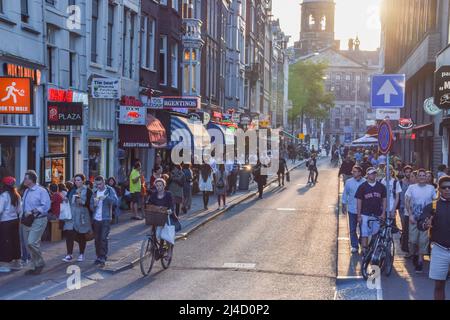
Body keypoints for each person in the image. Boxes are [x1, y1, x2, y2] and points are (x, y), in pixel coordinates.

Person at [417, 176, 450, 300]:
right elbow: (421, 224)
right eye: (444, 187)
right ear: (439, 189)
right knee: (439, 285)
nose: (447, 190)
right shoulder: (432, 207)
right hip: (439, 250)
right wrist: (425, 224)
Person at [405, 169, 437, 273]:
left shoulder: (431, 188)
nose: (422, 177)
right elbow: (407, 201)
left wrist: (431, 218)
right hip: (414, 217)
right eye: (420, 175)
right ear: (417, 177)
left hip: (425, 219)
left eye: (424, 175)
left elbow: (434, 203)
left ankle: (420, 262)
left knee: (423, 241)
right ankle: (414, 254)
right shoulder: (411, 187)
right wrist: (410, 215)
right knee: (413, 241)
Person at [21, 170, 51, 275]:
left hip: (38, 219)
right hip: (26, 221)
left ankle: (40, 263)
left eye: (26, 178)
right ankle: (34, 266)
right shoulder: (26, 191)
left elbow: (46, 206)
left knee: (31, 242)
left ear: (31, 180)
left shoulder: (41, 191)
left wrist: (33, 211)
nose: (24, 180)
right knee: (28, 244)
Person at [355, 167, 387, 255]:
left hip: (377, 213)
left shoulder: (381, 187)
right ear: (367, 175)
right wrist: (358, 215)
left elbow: (384, 200)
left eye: (374, 173)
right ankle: (364, 250)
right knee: (364, 233)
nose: (373, 175)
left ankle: (373, 249)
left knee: (375, 232)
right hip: (365, 213)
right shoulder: (362, 187)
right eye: (371, 173)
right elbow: (359, 201)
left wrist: (383, 213)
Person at [62, 174, 93, 263]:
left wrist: (82, 202)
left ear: (83, 180)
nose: (77, 182)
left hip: (82, 215)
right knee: (69, 233)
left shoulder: (88, 190)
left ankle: (81, 254)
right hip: (71, 214)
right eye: (76, 180)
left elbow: (89, 203)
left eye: (79, 180)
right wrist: (66, 199)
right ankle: (69, 254)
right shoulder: (72, 190)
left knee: (81, 235)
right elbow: (67, 198)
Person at [90, 176, 118, 267]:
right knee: (97, 239)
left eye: (100, 184)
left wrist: (106, 198)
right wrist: (94, 204)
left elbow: (116, 202)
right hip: (96, 219)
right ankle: (98, 256)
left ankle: (103, 257)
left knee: (103, 238)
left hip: (106, 218)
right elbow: (91, 207)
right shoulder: (94, 192)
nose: (98, 186)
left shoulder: (110, 190)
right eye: (97, 184)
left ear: (104, 182)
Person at [342, 166, 366, 253]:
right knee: (352, 229)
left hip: (363, 210)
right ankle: (354, 245)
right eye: (353, 171)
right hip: (352, 209)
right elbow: (345, 193)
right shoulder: (348, 182)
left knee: (363, 228)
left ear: (360, 173)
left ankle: (361, 242)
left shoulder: (365, 182)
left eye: (355, 171)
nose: (353, 173)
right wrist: (343, 204)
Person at [0, 177, 22, 273]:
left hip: (5, 221)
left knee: (6, 243)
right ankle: (17, 263)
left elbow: (0, 209)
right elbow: (19, 210)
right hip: (15, 220)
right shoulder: (17, 195)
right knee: (15, 241)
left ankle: (5, 265)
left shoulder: (4, 196)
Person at [398, 166, 413, 254]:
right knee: (404, 226)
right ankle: (404, 243)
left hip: (411, 208)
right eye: (406, 172)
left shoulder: (413, 182)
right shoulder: (400, 183)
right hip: (402, 207)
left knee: (409, 227)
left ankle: (407, 243)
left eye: (409, 172)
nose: (407, 173)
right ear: (404, 173)